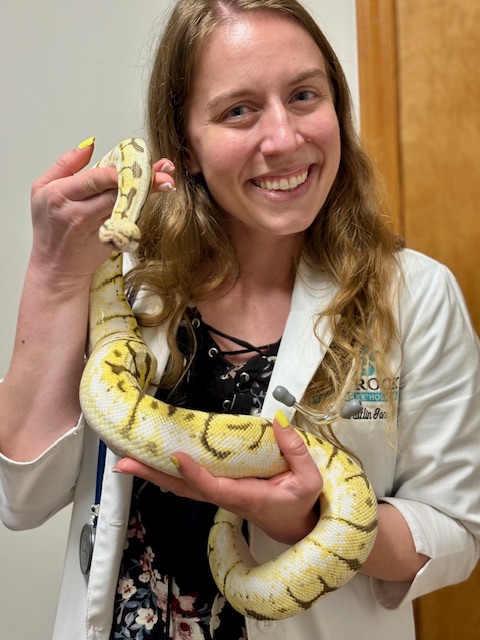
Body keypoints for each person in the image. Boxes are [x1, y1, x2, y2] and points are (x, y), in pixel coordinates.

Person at [1, 0, 479, 638]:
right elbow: (22, 497)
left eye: (304, 95)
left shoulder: (415, 294)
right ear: (185, 147)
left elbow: (455, 531)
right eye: (238, 110)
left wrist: (311, 521)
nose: (284, 139)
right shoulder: (120, 270)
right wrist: (53, 272)